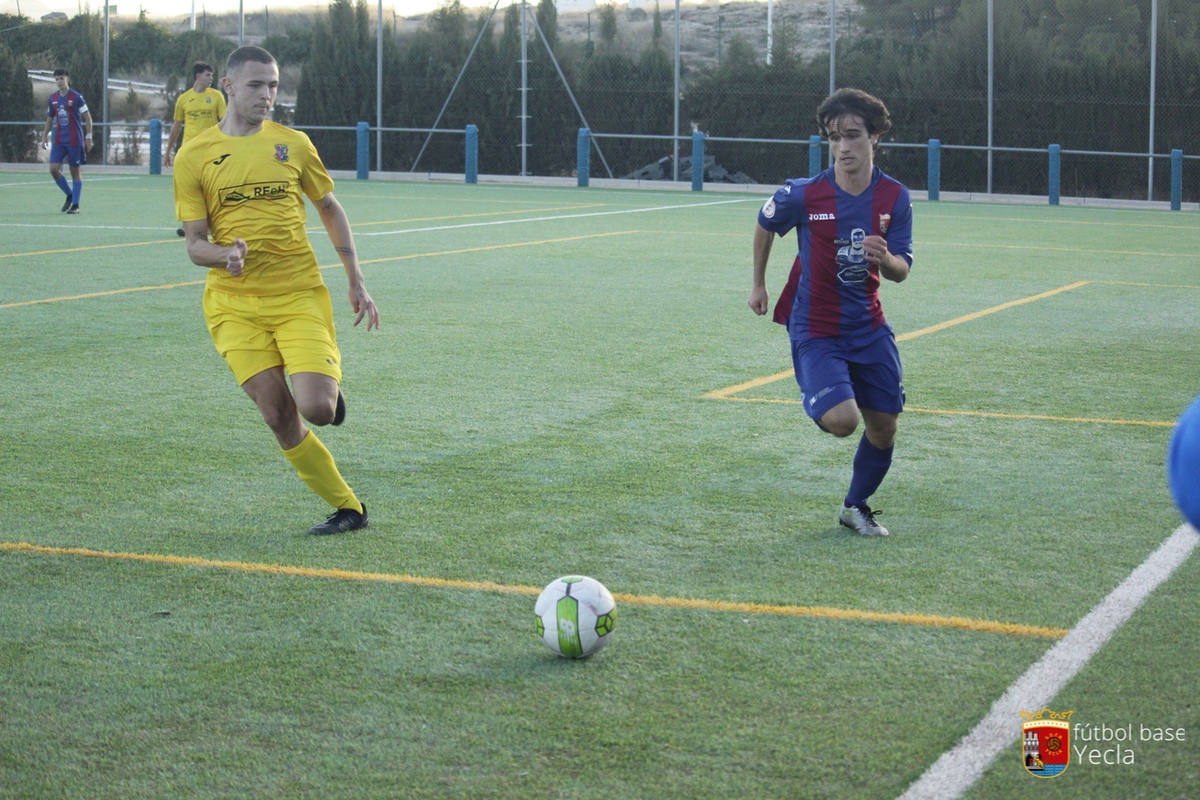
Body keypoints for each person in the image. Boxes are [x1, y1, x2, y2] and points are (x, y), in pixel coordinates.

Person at [172, 45, 380, 535]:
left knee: (317, 410)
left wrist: (356, 279)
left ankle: (325, 388)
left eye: (273, 85)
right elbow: (195, 245)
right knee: (276, 413)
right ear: (228, 86)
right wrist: (227, 255)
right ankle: (349, 508)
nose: (267, 95)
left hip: (298, 294)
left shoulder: (294, 143)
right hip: (233, 306)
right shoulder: (194, 156)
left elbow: (329, 208)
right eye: (255, 85)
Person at [748, 88, 913, 537]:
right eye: (834, 138)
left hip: (869, 325)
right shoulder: (803, 195)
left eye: (853, 136)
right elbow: (764, 224)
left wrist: (885, 260)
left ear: (874, 137)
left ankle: (854, 507)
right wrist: (759, 283)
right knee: (843, 421)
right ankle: (819, 384)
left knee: (884, 428)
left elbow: (902, 270)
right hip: (815, 327)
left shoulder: (895, 197)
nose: (843, 147)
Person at [165, 61, 226, 236]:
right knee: (189, 188)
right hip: (189, 151)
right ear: (198, 76)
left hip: (211, 150)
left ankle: (212, 223)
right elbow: (176, 126)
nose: (211, 79)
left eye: (212, 76)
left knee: (211, 187)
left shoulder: (216, 97)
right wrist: (169, 151)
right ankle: (189, 225)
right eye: (208, 75)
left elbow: (225, 122)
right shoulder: (184, 99)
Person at [40, 68, 93, 215]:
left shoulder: (76, 97)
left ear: (68, 79)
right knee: (53, 169)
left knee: (74, 171)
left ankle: (76, 205)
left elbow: (87, 117)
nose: (59, 81)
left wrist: (88, 137)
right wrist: (44, 136)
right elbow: (50, 118)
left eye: (61, 78)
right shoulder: (53, 98)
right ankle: (70, 195)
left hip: (74, 140)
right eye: (56, 79)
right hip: (59, 140)